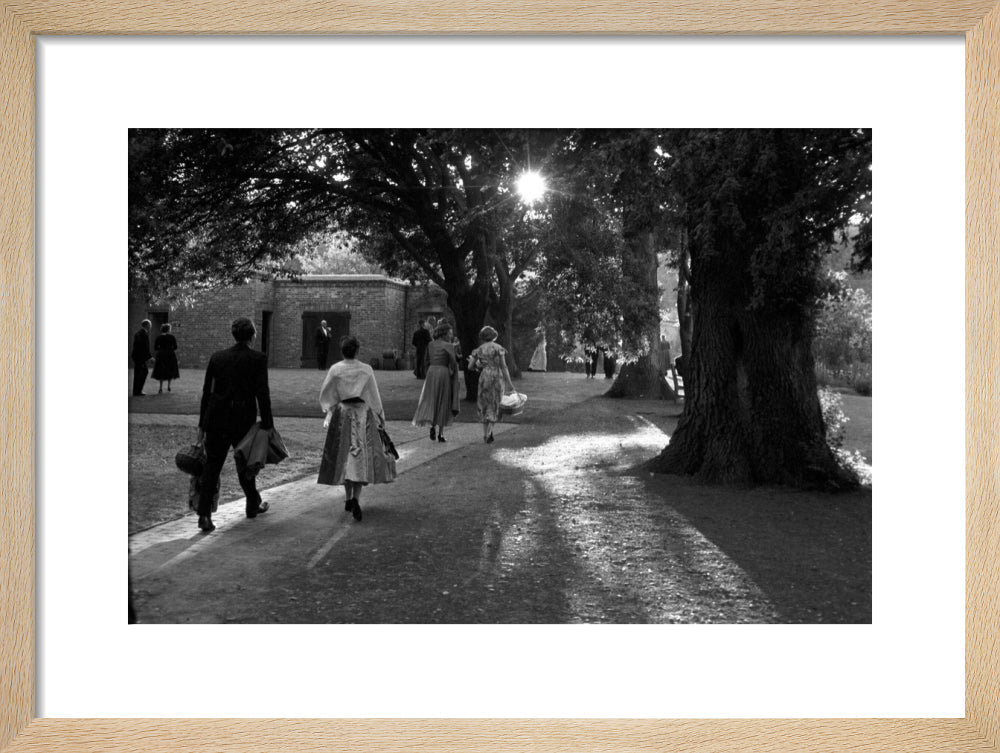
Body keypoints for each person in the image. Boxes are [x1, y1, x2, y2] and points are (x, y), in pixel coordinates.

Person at [195, 316, 274, 532]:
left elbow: (207, 393)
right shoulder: (258, 359)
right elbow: (262, 392)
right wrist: (267, 423)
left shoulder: (217, 358)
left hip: (216, 418)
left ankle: (204, 515)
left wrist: (202, 425)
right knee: (245, 465)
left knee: (212, 467)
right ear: (252, 335)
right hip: (242, 419)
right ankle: (252, 504)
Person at [318, 335, 396, 522]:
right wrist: (380, 417)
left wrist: (329, 409)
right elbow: (373, 396)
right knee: (360, 455)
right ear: (357, 351)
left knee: (345, 455)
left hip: (343, 414)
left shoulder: (336, 369)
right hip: (361, 414)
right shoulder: (366, 370)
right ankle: (356, 498)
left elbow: (326, 394)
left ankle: (347, 498)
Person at [412, 322, 460, 442]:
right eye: (450, 333)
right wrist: (452, 371)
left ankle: (432, 426)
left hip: (432, 373)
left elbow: (426, 360)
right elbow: (453, 363)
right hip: (443, 373)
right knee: (443, 400)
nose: (451, 335)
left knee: (432, 399)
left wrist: (429, 370)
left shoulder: (430, 344)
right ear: (444, 333)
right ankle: (441, 433)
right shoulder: (449, 346)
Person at [468, 326, 515, 444]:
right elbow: (504, 367)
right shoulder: (498, 348)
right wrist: (510, 384)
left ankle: (485, 434)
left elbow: (470, 367)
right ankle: (489, 432)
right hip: (496, 376)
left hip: (484, 377)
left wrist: (479, 366)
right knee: (496, 403)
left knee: (485, 404)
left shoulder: (479, 349)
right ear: (494, 336)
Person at [152, 323, 180, 393]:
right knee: (170, 369)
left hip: (161, 355)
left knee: (161, 370)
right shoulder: (172, 337)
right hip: (170, 355)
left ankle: (160, 387)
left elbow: (155, 347)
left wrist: (161, 348)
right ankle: (168, 386)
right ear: (168, 329)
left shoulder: (158, 337)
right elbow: (175, 347)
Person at [131, 319, 152, 396]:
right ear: (147, 325)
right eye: (150, 325)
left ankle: (137, 391)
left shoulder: (139, 333)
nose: (151, 326)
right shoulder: (144, 334)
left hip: (137, 357)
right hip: (140, 357)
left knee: (139, 373)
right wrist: (149, 357)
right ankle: (138, 391)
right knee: (142, 372)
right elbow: (145, 347)